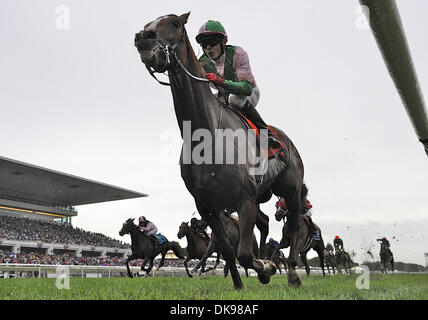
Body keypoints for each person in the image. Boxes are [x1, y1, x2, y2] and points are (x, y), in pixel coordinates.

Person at [196, 20, 281, 149]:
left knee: (234, 98)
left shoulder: (238, 54)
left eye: (212, 42)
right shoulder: (202, 63)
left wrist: (222, 82)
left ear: (223, 42)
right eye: (204, 44)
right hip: (223, 94)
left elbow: (246, 88)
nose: (208, 48)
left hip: (248, 92)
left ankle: (267, 134)